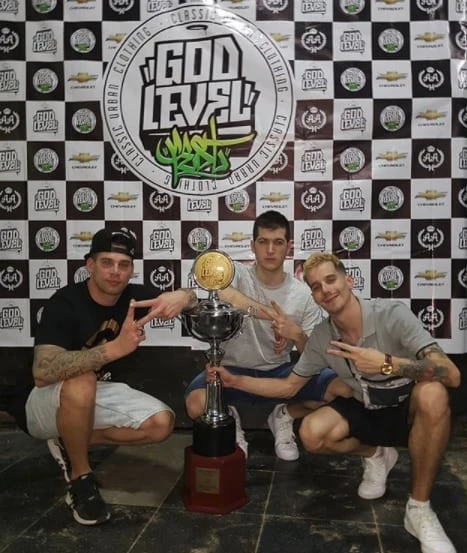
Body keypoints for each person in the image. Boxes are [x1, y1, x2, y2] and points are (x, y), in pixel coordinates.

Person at [212, 252, 460, 553]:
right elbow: (288, 387)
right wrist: (234, 381)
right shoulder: (322, 336)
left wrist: (388, 364)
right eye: (316, 287)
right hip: (365, 406)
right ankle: (376, 454)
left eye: (331, 280)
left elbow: (451, 374)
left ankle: (419, 509)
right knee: (311, 434)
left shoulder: (392, 314)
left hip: (406, 410)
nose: (326, 290)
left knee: (433, 394)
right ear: (314, 296)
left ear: (349, 280)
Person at [6, 227, 199, 526]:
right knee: (83, 378)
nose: (115, 272)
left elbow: (191, 299)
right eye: (106, 262)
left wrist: (183, 296)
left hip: (89, 394)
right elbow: (42, 372)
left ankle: (68, 441)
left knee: (161, 424)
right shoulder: (65, 302)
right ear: (90, 265)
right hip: (39, 401)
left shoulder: (133, 297)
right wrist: (114, 349)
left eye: (123, 265)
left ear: (131, 270)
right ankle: (80, 478)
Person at [183, 211, 351, 461]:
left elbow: (312, 356)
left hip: (279, 374)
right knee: (195, 404)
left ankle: (284, 416)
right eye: (263, 242)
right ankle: (229, 420)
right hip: (230, 370)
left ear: (289, 247)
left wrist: (296, 334)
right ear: (253, 246)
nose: (270, 250)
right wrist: (271, 316)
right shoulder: (238, 274)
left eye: (278, 242)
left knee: (343, 390)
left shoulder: (303, 294)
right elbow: (226, 294)